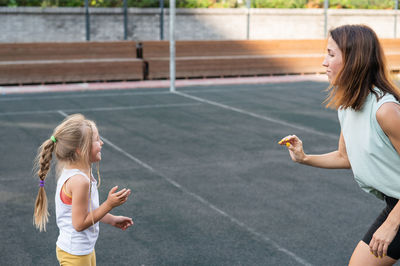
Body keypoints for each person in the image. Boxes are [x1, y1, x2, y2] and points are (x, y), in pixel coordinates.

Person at [279, 24, 400, 265]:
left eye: (331, 54)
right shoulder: (348, 105)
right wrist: (305, 157)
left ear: (354, 61)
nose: (324, 62)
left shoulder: (386, 111)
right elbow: (346, 157)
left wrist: (392, 223)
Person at [33, 113, 133, 266]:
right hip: (75, 254)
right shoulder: (79, 181)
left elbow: (88, 211)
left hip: (82, 250)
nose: (102, 143)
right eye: (97, 140)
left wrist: (111, 219)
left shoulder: (75, 173)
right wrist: (109, 204)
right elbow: (79, 224)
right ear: (81, 150)